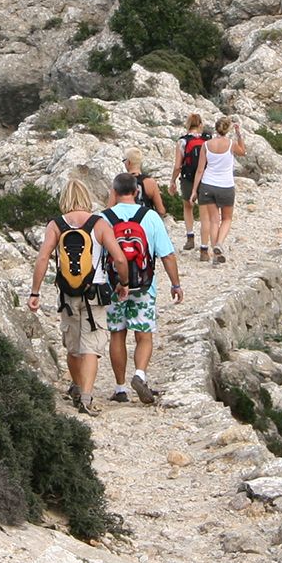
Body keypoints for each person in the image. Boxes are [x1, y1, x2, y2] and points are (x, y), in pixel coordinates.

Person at [29, 175, 130, 415]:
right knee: (91, 348)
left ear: (64, 199)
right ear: (86, 198)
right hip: (95, 293)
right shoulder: (99, 224)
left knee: (73, 347)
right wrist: (123, 283)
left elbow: (43, 257)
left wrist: (35, 291)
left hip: (67, 294)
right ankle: (86, 397)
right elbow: (119, 258)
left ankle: (76, 387)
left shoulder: (56, 224)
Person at [100, 171, 183, 404]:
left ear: (114, 192)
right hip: (144, 287)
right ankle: (140, 375)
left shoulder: (102, 218)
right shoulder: (151, 217)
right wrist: (175, 284)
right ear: (137, 192)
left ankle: (119, 388)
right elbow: (166, 254)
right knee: (143, 335)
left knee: (117, 334)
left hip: (114, 286)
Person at [197, 114, 246, 264]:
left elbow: (200, 170)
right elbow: (243, 151)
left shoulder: (206, 145)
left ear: (216, 128)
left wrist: (194, 190)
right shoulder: (231, 144)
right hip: (225, 185)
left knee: (213, 220)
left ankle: (215, 255)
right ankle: (219, 244)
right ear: (228, 129)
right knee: (227, 218)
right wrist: (239, 134)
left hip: (208, 184)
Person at [174, 112, 210, 254]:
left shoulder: (182, 142)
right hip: (205, 178)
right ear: (200, 125)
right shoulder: (206, 141)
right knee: (204, 213)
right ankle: (204, 247)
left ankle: (190, 238)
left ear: (187, 125)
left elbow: (177, 166)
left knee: (188, 207)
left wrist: (172, 181)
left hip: (188, 177)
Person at [122, 148, 168, 220]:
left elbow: (110, 209)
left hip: (126, 224)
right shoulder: (150, 182)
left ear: (128, 162)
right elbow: (161, 210)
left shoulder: (120, 182)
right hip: (145, 222)